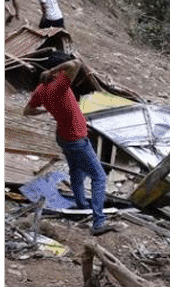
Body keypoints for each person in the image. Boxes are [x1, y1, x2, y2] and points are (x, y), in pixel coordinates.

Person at [23, 58, 119, 236]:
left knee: (76, 171)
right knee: (98, 177)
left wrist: (46, 110)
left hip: (64, 137)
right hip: (76, 139)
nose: (61, 72)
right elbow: (76, 64)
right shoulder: (59, 85)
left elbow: (27, 111)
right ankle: (98, 222)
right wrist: (52, 70)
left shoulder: (40, 90)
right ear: (52, 72)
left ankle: (82, 206)